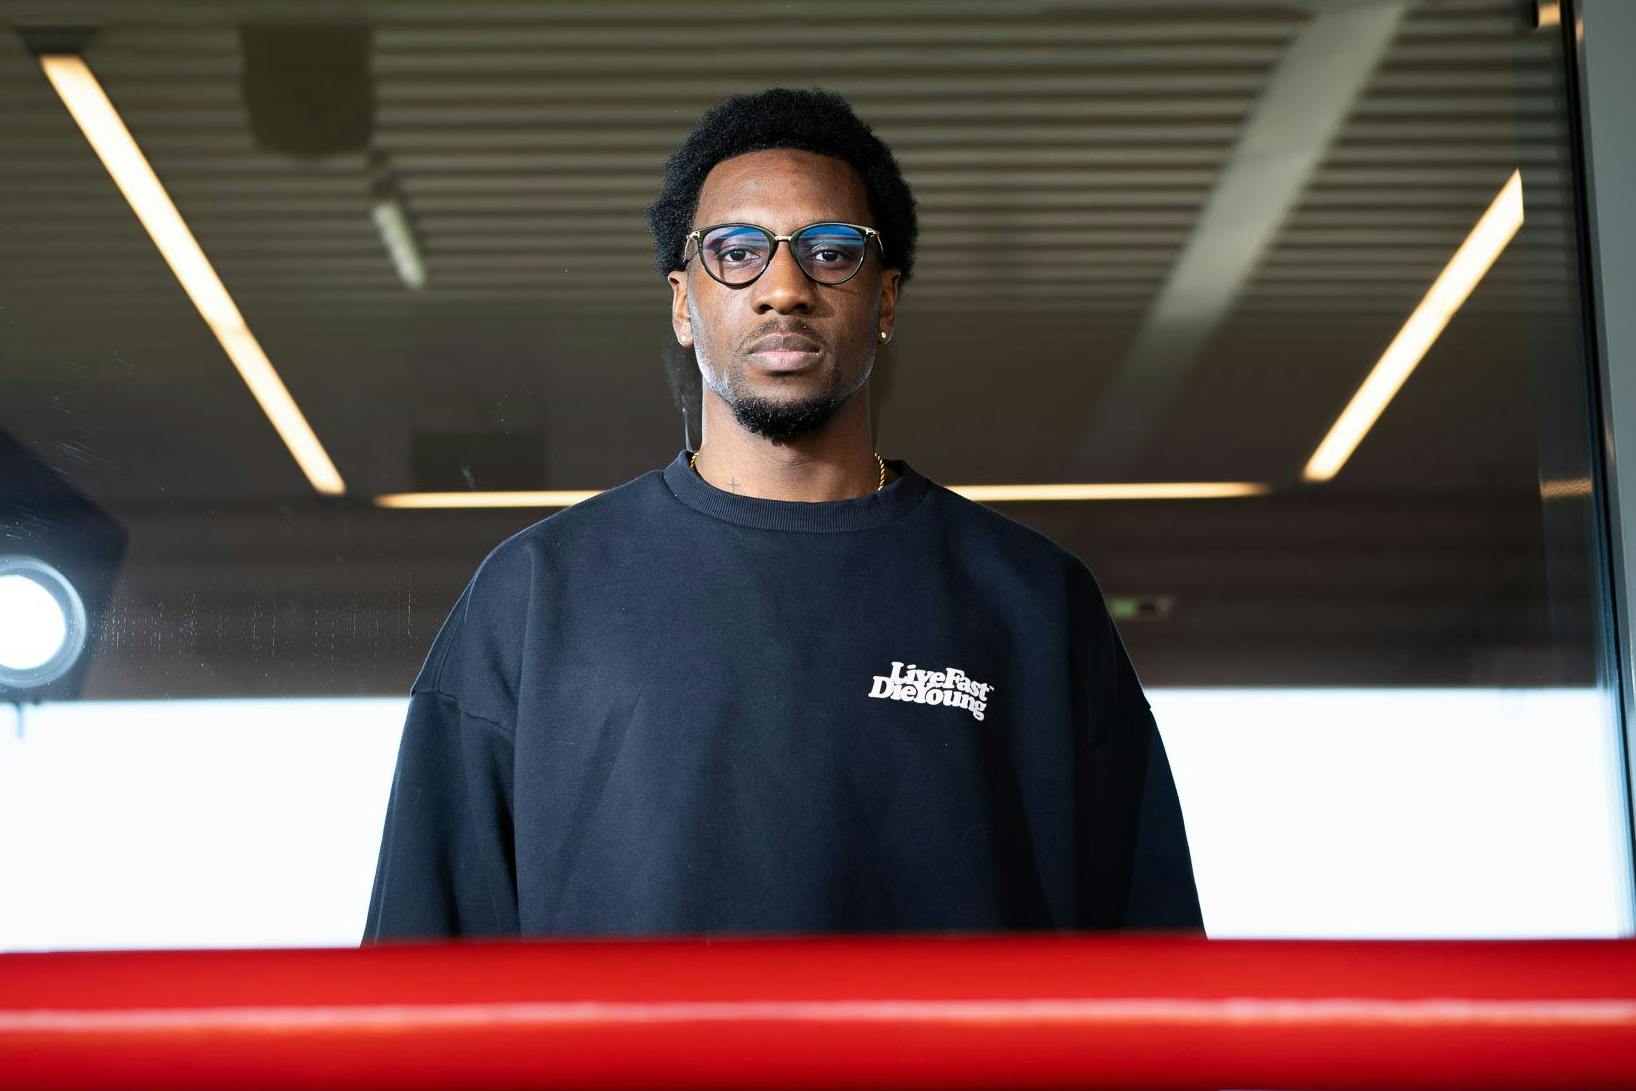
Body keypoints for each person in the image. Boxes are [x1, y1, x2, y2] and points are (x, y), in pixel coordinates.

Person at [363, 88, 1202, 940]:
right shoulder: (538, 595)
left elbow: (1151, 964)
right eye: (736, 251)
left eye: (832, 250)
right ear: (685, 305)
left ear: (885, 301)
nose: (785, 288)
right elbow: (419, 966)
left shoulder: (1032, 600)